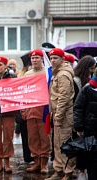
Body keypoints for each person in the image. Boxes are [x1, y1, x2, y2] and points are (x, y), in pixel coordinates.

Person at [45, 48, 76, 180]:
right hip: (57, 113)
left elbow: (64, 97)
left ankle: (68, 172)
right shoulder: (57, 72)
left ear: (62, 59)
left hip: (63, 115)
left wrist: (58, 116)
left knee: (65, 143)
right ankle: (58, 170)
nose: (52, 60)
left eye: (55, 58)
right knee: (56, 143)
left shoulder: (63, 74)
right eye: (51, 58)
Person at [21, 49, 51, 174]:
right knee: (32, 137)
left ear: (42, 59)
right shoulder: (27, 74)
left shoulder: (48, 72)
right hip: (31, 109)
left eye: (37, 58)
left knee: (44, 137)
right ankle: (36, 162)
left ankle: (44, 163)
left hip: (44, 109)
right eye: (33, 58)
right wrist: (23, 109)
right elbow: (23, 92)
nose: (34, 60)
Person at [73, 55, 96, 180]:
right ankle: (81, 170)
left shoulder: (88, 81)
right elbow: (78, 106)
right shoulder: (79, 82)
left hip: (89, 121)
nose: (92, 71)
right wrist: (78, 124)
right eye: (91, 68)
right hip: (83, 121)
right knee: (83, 148)